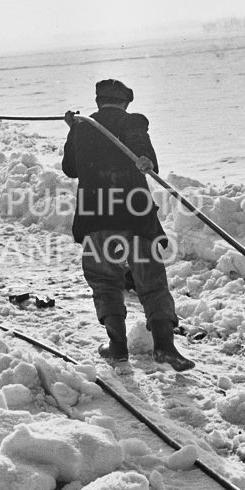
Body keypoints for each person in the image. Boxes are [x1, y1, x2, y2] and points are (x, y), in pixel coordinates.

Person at [61, 78, 194, 371]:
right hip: (135, 215)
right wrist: (144, 158)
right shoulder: (132, 121)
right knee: (152, 282)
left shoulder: (83, 126)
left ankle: (117, 347)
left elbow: (70, 169)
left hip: (97, 216)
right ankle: (164, 347)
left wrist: (73, 132)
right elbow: (145, 155)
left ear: (98, 102)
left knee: (105, 280)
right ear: (125, 102)